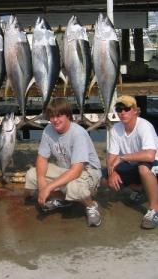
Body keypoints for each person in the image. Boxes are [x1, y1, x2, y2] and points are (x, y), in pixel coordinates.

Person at [25, 98, 102, 227]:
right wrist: (41, 180)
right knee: (32, 175)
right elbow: (42, 158)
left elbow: (76, 170)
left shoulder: (78, 134)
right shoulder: (48, 130)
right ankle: (65, 200)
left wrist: (48, 187)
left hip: (88, 172)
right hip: (67, 170)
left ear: (68, 116)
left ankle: (91, 206)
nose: (55, 120)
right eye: (52, 116)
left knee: (74, 187)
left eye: (59, 116)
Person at [103, 95, 158, 229]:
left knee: (143, 169)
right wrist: (112, 173)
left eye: (126, 109)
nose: (122, 112)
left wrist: (122, 158)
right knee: (102, 177)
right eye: (119, 109)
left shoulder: (144, 126)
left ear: (135, 111)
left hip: (154, 163)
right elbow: (111, 156)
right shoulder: (115, 129)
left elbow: (150, 156)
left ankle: (154, 210)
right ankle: (142, 189)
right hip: (134, 164)